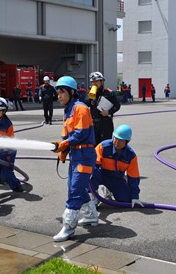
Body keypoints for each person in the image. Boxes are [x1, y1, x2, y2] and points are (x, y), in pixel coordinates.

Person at [51, 76, 97, 242]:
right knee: (75, 186)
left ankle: (68, 228)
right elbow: (66, 134)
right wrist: (63, 150)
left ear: (71, 92)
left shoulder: (80, 108)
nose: (59, 96)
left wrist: (64, 144)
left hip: (85, 155)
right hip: (76, 154)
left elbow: (81, 133)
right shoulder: (68, 110)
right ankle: (91, 216)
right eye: (57, 93)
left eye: (62, 92)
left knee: (75, 191)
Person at [84, 124, 143, 220]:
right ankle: (93, 196)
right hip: (100, 174)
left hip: (115, 178)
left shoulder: (131, 156)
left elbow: (134, 177)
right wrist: (91, 187)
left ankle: (108, 190)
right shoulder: (103, 146)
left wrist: (135, 196)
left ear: (127, 141)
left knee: (126, 200)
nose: (117, 142)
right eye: (116, 138)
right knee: (91, 174)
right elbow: (94, 163)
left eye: (121, 140)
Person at [85, 72, 121, 145]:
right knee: (93, 145)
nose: (94, 83)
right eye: (93, 82)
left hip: (105, 123)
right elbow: (84, 105)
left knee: (105, 145)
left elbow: (117, 105)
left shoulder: (108, 93)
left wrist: (109, 112)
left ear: (102, 82)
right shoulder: (90, 94)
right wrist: (90, 97)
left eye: (96, 81)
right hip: (94, 123)